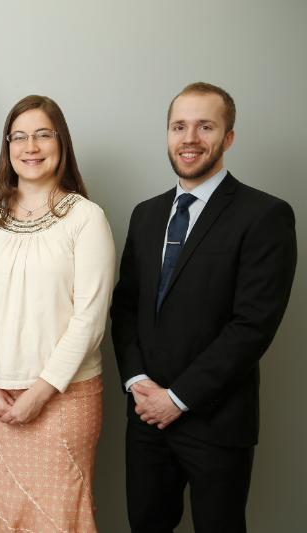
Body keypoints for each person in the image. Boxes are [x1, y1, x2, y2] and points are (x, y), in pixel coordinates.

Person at [111, 82, 297, 533]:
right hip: (146, 419)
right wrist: (138, 384)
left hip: (217, 420)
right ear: (168, 135)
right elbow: (126, 308)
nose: (189, 138)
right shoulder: (146, 214)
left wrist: (178, 399)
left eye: (204, 126)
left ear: (228, 136)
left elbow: (252, 326)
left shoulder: (265, 215)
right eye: (179, 126)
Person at [0, 95, 115, 532]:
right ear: (7, 148)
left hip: (63, 399)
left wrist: (40, 393)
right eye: (19, 137)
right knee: (2, 518)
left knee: (59, 521)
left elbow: (90, 320)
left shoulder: (86, 219)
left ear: (61, 143)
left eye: (44, 134)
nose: (32, 146)